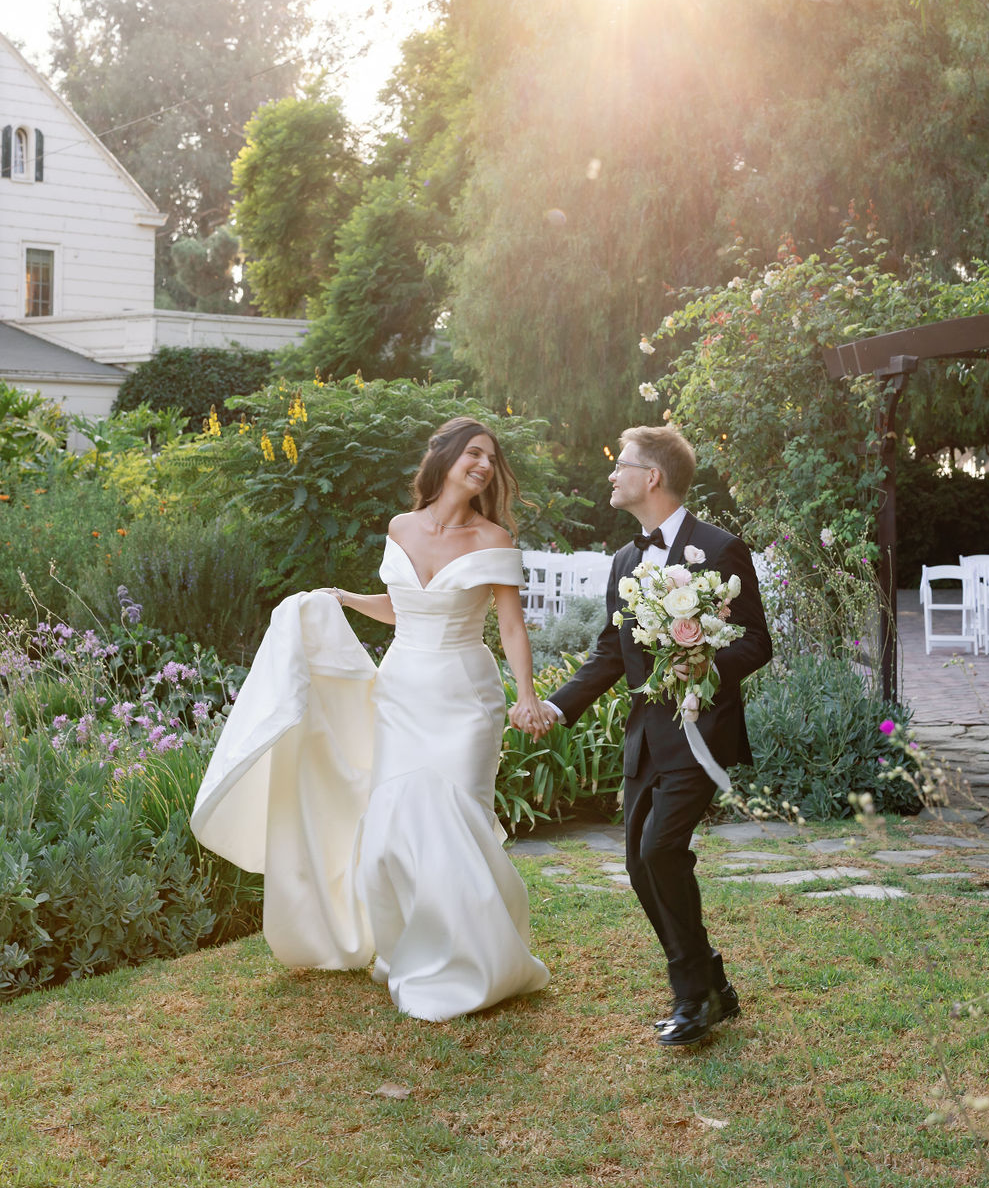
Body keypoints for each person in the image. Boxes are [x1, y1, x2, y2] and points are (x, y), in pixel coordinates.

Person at [191, 416, 549, 1022]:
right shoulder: (401, 527)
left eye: (492, 458)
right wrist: (348, 601)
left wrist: (526, 695)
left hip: (465, 696)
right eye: (474, 453)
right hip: (402, 691)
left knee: (455, 820)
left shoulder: (495, 541)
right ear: (445, 457)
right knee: (390, 831)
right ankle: (416, 946)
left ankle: (479, 962)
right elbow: (403, 607)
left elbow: (510, 626)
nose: (484, 465)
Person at [523, 424, 771, 1048]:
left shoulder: (720, 549)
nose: (612, 474)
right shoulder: (627, 561)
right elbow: (612, 651)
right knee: (639, 864)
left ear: (651, 477)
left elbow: (756, 642)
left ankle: (693, 999)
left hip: (700, 731)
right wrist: (557, 706)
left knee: (661, 851)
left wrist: (706, 664)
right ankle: (711, 981)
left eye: (621, 464)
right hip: (646, 739)